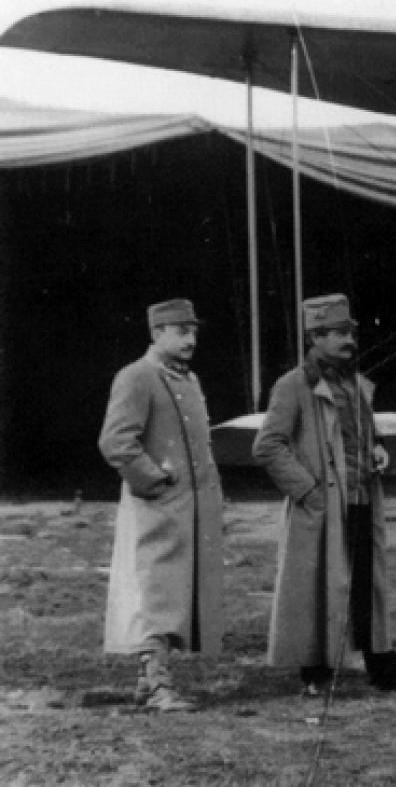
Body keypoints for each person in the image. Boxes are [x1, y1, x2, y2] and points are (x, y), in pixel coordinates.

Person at [253, 294, 396, 696]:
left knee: (365, 586)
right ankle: (315, 671)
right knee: (318, 587)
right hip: (323, 507)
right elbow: (268, 445)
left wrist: (379, 446)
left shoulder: (356, 384)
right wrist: (309, 491)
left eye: (350, 332)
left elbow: (365, 432)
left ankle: (381, 664)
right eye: (340, 334)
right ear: (315, 337)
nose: (349, 341)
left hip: (361, 500)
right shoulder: (292, 386)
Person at [98, 298, 225, 712]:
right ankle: (158, 687)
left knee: (173, 593)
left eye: (193, 330)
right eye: (180, 330)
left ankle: (147, 681)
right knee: (155, 593)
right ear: (156, 333)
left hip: (188, 509)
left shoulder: (188, 380)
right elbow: (116, 442)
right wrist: (156, 480)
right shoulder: (137, 376)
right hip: (155, 507)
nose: (190, 339)